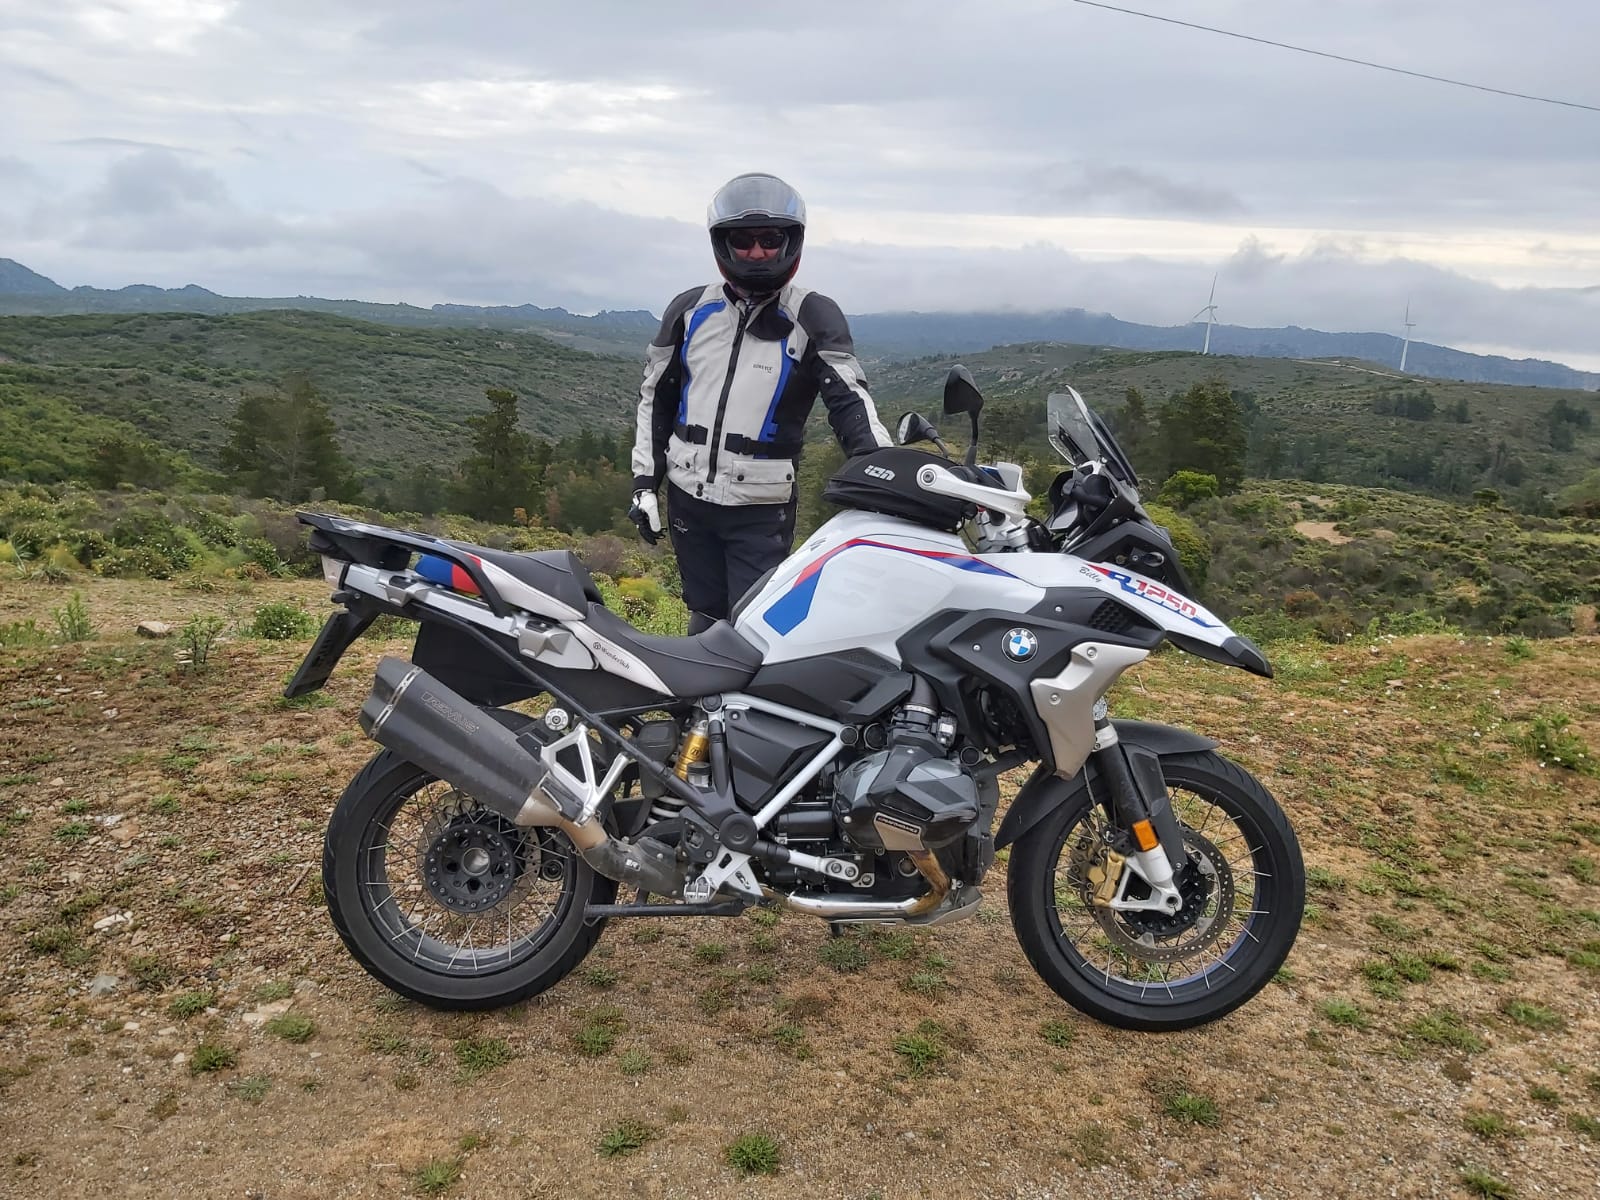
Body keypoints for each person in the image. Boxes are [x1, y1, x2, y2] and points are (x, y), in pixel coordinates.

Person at [628, 172, 891, 634]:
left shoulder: (812, 314)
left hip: (761, 505)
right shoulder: (690, 310)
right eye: (742, 240)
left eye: (769, 240)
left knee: (753, 624)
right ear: (722, 243)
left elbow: (849, 399)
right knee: (704, 613)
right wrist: (644, 483)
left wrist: (885, 473)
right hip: (688, 498)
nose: (756, 252)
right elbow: (656, 396)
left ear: (790, 242)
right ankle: (696, 684)